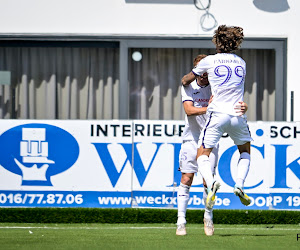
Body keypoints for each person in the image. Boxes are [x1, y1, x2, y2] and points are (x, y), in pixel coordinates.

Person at [181, 25, 253, 212]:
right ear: (236, 43)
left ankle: (211, 183)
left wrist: (187, 78)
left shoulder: (209, 61)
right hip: (238, 114)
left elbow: (186, 80)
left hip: (217, 115)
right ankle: (239, 184)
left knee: (202, 155)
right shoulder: (241, 62)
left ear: (217, 42)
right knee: (245, 151)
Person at [176, 54, 248, 236]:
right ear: (197, 71)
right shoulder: (188, 86)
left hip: (210, 139)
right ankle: (181, 221)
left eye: (207, 71)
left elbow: (234, 103)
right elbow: (189, 110)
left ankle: (208, 218)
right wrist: (210, 108)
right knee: (186, 178)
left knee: (208, 182)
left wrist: (243, 107)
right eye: (201, 71)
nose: (205, 75)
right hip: (191, 138)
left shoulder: (217, 86)